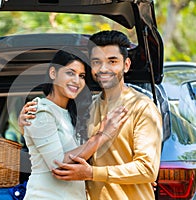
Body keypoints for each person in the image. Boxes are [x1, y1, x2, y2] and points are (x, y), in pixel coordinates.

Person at [19, 31, 162, 200]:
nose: (103, 68)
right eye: (96, 62)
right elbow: (68, 149)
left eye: (112, 61)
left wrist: (92, 173)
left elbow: (147, 170)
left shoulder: (142, 107)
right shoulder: (88, 108)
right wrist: (25, 127)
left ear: (126, 64)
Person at [22, 46, 128, 200]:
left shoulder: (73, 113)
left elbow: (86, 156)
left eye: (82, 75)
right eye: (70, 73)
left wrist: (134, 179)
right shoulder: (40, 111)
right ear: (53, 73)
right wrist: (102, 135)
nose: (77, 81)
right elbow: (58, 165)